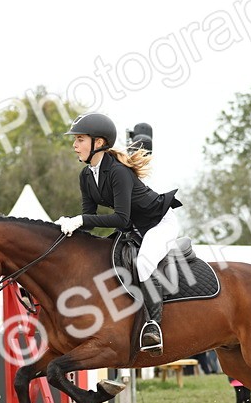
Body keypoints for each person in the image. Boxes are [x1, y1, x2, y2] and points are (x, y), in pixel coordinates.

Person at [55, 112, 182, 355]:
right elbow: (90, 221)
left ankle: (152, 326)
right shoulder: (86, 176)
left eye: (80, 139)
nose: (74, 145)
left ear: (99, 143)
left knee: (144, 263)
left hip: (158, 223)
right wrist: (63, 228)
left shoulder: (117, 171)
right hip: (134, 227)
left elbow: (120, 217)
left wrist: (79, 220)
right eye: (76, 140)